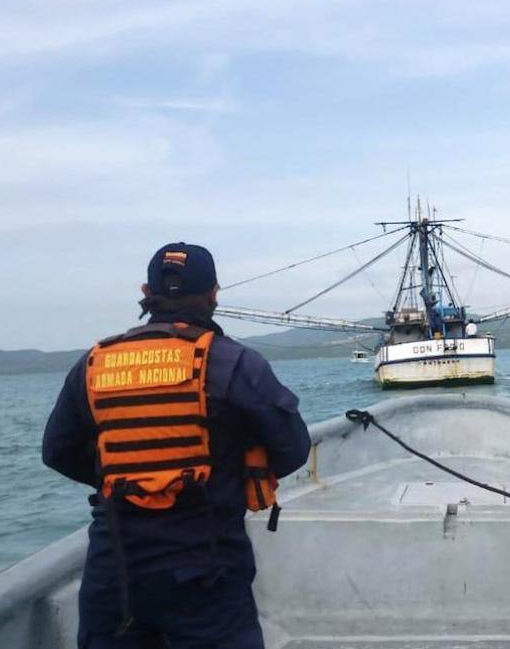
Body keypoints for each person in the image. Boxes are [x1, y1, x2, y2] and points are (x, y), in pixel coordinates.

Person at [43, 243, 311, 649]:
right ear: (214, 294)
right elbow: (292, 448)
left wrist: (132, 474)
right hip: (206, 570)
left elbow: (57, 451)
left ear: (146, 292)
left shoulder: (94, 364)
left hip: (114, 573)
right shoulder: (234, 362)